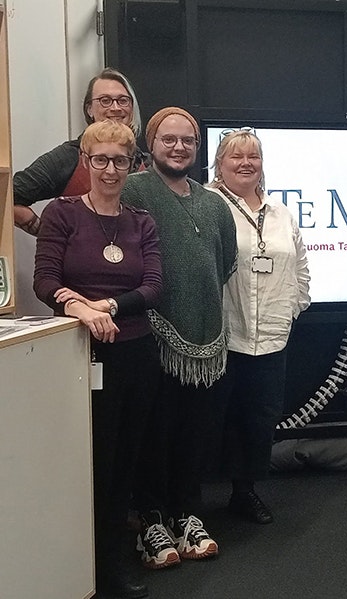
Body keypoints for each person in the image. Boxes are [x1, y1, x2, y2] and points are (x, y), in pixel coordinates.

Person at [33, 120, 162, 599]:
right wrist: (78, 306)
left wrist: (103, 306)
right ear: (85, 162)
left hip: (134, 355)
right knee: (88, 465)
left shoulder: (140, 221)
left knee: (124, 464)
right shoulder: (62, 214)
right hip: (75, 357)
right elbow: (42, 281)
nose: (110, 169)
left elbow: (152, 287)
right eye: (100, 159)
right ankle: (79, 562)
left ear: (132, 165)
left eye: (120, 160)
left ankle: (111, 562)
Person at [122, 107, 237, 566]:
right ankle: (151, 521)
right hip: (152, 337)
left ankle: (187, 515)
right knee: (155, 431)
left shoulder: (213, 202)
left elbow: (224, 260)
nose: (179, 147)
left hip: (208, 340)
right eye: (168, 139)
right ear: (151, 144)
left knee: (196, 433)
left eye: (187, 140)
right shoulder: (134, 190)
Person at [207, 129, 310, 523]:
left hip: (271, 336)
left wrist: (292, 309)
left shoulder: (281, 213)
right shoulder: (209, 204)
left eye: (253, 156)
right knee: (216, 418)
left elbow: (300, 267)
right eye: (236, 156)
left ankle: (244, 491)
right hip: (223, 335)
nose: (246, 163)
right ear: (219, 163)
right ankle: (189, 503)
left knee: (259, 419)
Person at [13, 68, 146, 236]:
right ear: (89, 109)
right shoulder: (69, 157)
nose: (116, 107)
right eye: (105, 100)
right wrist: (48, 234)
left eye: (123, 101)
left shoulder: (145, 163)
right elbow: (7, 196)